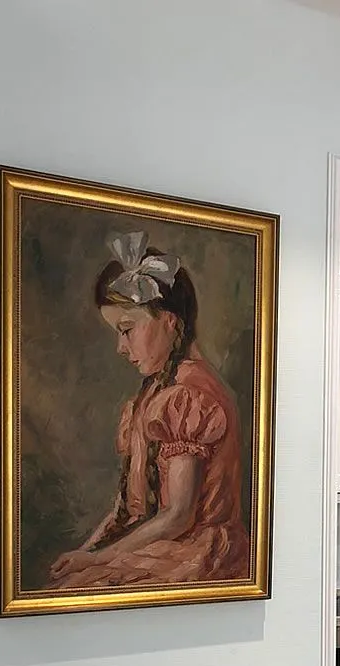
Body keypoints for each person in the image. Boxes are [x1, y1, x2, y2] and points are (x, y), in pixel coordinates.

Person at [50, 231, 250, 590]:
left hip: (197, 554)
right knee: (69, 583)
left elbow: (178, 516)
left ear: (169, 321)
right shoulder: (153, 394)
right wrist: (87, 551)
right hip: (157, 545)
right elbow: (128, 508)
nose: (120, 347)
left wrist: (98, 560)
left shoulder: (188, 395)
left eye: (127, 330)